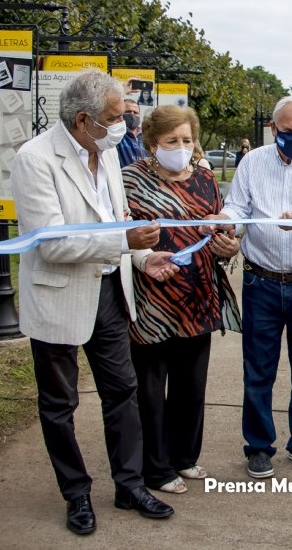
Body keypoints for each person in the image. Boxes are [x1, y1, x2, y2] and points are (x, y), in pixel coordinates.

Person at [10, 70, 176, 535]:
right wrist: (126, 243)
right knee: (59, 404)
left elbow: (117, 221)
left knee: (122, 393)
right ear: (83, 119)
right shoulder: (35, 160)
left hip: (109, 292)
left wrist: (143, 257)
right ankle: (76, 493)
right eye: (113, 117)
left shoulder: (105, 153)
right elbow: (52, 244)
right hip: (60, 295)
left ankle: (129, 484)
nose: (123, 125)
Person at [203, 96, 292, 479]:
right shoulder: (252, 162)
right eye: (286, 132)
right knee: (258, 368)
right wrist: (225, 221)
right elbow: (238, 208)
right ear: (272, 128)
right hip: (261, 280)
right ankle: (258, 446)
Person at [122, 105, 242, 495]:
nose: (181, 147)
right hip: (153, 298)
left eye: (187, 140)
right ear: (153, 142)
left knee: (192, 383)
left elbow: (218, 227)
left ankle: (184, 457)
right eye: (172, 140)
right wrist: (142, 261)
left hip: (198, 294)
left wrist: (227, 246)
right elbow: (121, 236)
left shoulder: (206, 179)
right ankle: (155, 468)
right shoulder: (130, 180)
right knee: (151, 386)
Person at [116, 99, 147, 167]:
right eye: (128, 111)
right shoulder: (116, 135)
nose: (132, 114)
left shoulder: (146, 137)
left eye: (135, 112)